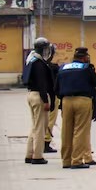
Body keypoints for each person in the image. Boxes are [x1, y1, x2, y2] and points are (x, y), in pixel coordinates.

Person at [56, 47, 96, 169]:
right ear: (84, 57)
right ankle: (76, 160)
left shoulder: (63, 68)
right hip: (83, 100)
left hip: (66, 101)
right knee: (80, 131)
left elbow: (56, 87)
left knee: (66, 131)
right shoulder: (86, 68)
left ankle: (66, 160)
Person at [23, 37, 55, 165]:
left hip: (31, 95)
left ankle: (29, 154)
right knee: (40, 127)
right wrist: (46, 100)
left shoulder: (31, 60)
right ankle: (37, 156)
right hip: (39, 96)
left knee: (35, 126)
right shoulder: (39, 64)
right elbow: (42, 83)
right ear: (43, 49)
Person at [43, 44, 59, 155]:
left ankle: (40, 142)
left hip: (40, 95)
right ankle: (46, 142)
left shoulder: (37, 64)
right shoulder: (54, 67)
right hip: (52, 96)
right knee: (51, 120)